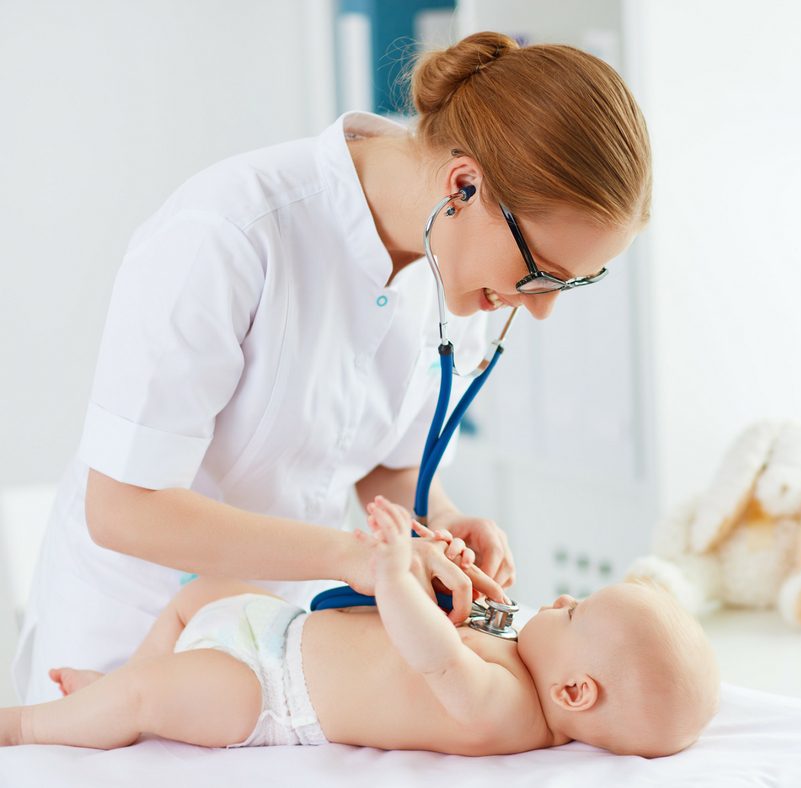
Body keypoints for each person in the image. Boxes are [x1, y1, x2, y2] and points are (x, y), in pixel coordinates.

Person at [12, 30, 652, 705]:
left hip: (269, 656)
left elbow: (384, 461)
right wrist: (355, 558)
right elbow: (123, 511)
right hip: (122, 646)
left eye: (566, 286)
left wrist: (441, 519)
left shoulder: (457, 268)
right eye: (538, 275)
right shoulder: (229, 233)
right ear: (463, 184)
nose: (540, 311)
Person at [0, 496, 719, 757]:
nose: (559, 599)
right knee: (197, 596)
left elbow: (435, 656)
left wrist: (396, 573)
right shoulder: (525, 658)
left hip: (271, 693)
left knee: (153, 695)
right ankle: (110, 688)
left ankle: (33, 725)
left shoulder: (510, 711)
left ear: (576, 694)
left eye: (578, 611)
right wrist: (447, 556)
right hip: (276, 627)